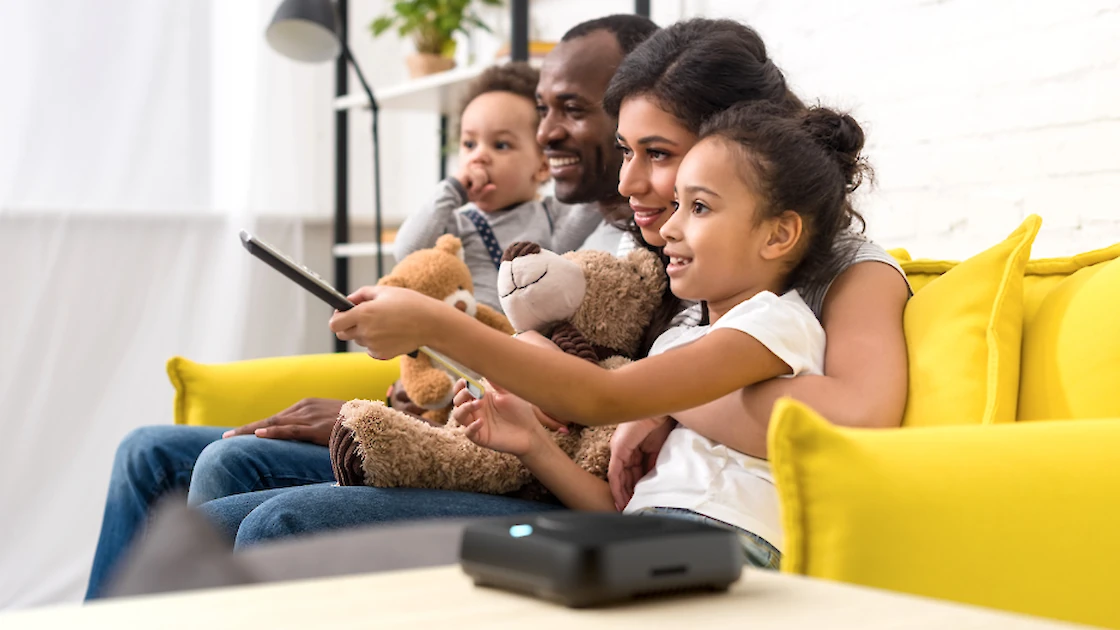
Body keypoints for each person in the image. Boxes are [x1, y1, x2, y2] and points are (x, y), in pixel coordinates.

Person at [197, 19, 907, 551]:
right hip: (601, 496)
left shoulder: (828, 277)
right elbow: (599, 396)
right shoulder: (691, 281)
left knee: (274, 521)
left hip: (668, 529)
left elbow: (855, 421)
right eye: (628, 150)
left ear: (741, 151)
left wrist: (668, 393)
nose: (630, 184)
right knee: (218, 507)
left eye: (659, 156)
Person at [84, 14, 660, 599]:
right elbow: (513, 352)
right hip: (474, 427)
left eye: (572, 109)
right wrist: (402, 400)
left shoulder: (653, 238)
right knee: (149, 453)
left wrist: (405, 398)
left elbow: (580, 394)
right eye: (544, 110)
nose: (546, 133)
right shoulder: (581, 216)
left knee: (242, 490)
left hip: (518, 466)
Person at [338, 100, 874, 568]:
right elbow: (618, 505)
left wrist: (436, 324)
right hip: (647, 535)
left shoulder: (773, 323)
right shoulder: (678, 343)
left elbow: (605, 396)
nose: (669, 227)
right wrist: (532, 445)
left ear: (779, 234)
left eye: (700, 207)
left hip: (729, 545)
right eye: (679, 204)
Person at [393, 62, 603, 312]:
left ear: (543, 166)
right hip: (468, 337)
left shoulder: (551, 216)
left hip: (525, 344)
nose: (479, 156)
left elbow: (595, 197)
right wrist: (452, 189)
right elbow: (407, 251)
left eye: (501, 145)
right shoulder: (456, 224)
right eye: (469, 144)